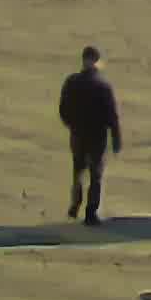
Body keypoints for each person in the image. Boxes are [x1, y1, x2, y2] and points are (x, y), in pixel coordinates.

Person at [59, 47, 121, 225]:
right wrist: (116, 138)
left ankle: (75, 204)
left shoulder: (72, 82)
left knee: (78, 171)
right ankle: (91, 212)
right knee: (95, 175)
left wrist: (71, 124)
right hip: (97, 136)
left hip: (78, 134)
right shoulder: (103, 86)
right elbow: (112, 115)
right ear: (98, 62)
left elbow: (63, 109)